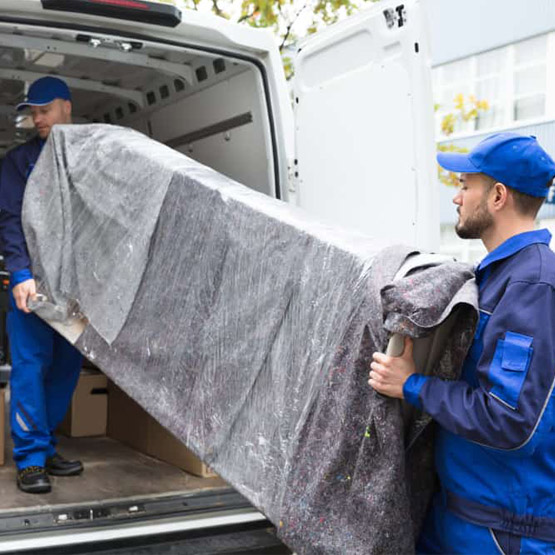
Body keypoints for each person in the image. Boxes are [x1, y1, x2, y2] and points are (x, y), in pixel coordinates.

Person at [369, 133, 555, 554]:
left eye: (465, 185)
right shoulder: (498, 276)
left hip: (500, 533)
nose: (456, 197)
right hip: (458, 514)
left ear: (498, 196)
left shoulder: (533, 286)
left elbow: (509, 421)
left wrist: (412, 385)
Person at [0, 76, 83, 494]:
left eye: (44, 110)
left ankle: (46, 446)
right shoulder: (19, 162)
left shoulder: (92, 158)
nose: (37, 119)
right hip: (32, 283)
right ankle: (30, 458)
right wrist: (19, 273)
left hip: (78, 288)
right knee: (31, 367)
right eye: (32, 113)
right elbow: (10, 220)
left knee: (66, 369)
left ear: (66, 106)